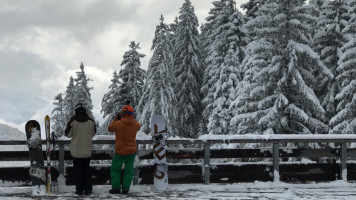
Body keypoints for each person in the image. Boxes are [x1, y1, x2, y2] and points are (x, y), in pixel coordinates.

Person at [108, 103, 141, 195]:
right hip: (131, 152)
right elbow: (138, 126)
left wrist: (117, 118)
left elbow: (110, 128)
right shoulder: (136, 124)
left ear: (123, 113)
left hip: (120, 151)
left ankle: (116, 188)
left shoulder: (117, 123)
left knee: (115, 170)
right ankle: (125, 189)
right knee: (128, 171)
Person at [65, 103, 96, 195]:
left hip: (76, 152)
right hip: (87, 151)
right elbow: (93, 134)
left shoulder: (73, 121)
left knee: (78, 172)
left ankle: (79, 190)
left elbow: (68, 134)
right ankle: (88, 190)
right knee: (87, 171)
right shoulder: (91, 121)